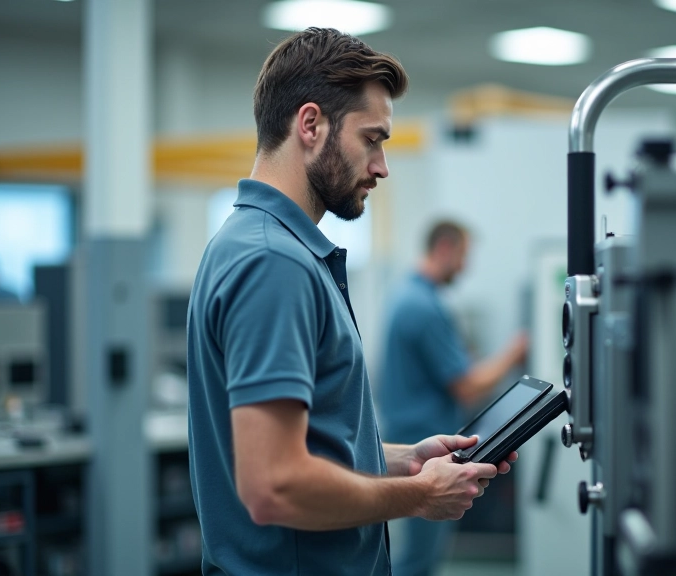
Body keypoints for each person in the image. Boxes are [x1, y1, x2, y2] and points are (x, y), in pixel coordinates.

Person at [186, 28, 516, 576]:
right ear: (310, 124)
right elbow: (275, 487)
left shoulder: (253, 243)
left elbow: (303, 451)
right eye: (372, 139)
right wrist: (418, 498)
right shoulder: (274, 263)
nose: (382, 165)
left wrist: (406, 462)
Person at [377, 221, 529, 576]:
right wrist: (515, 351)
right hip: (422, 443)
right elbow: (468, 385)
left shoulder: (406, 294)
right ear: (444, 248)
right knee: (418, 560)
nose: (465, 266)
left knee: (417, 554)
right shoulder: (424, 306)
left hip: (411, 434)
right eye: (463, 255)